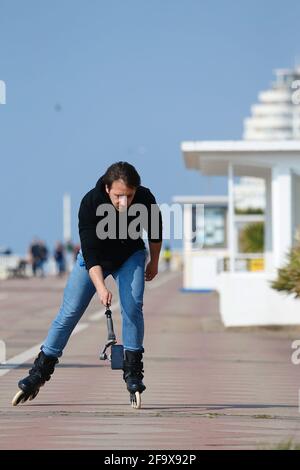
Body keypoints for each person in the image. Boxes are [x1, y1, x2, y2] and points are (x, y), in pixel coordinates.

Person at [13, 162, 162, 407]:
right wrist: (101, 288)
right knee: (69, 312)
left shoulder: (145, 198)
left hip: (130, 256)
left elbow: (155, 233)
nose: (124, 202)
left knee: (133, 306)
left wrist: (153, 263)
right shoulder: (90, 203)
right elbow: (90, 254)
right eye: (118, 196)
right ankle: (39, 372)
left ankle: (133, 372)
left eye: (129, 196)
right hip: (94, 260)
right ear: (107, 188)